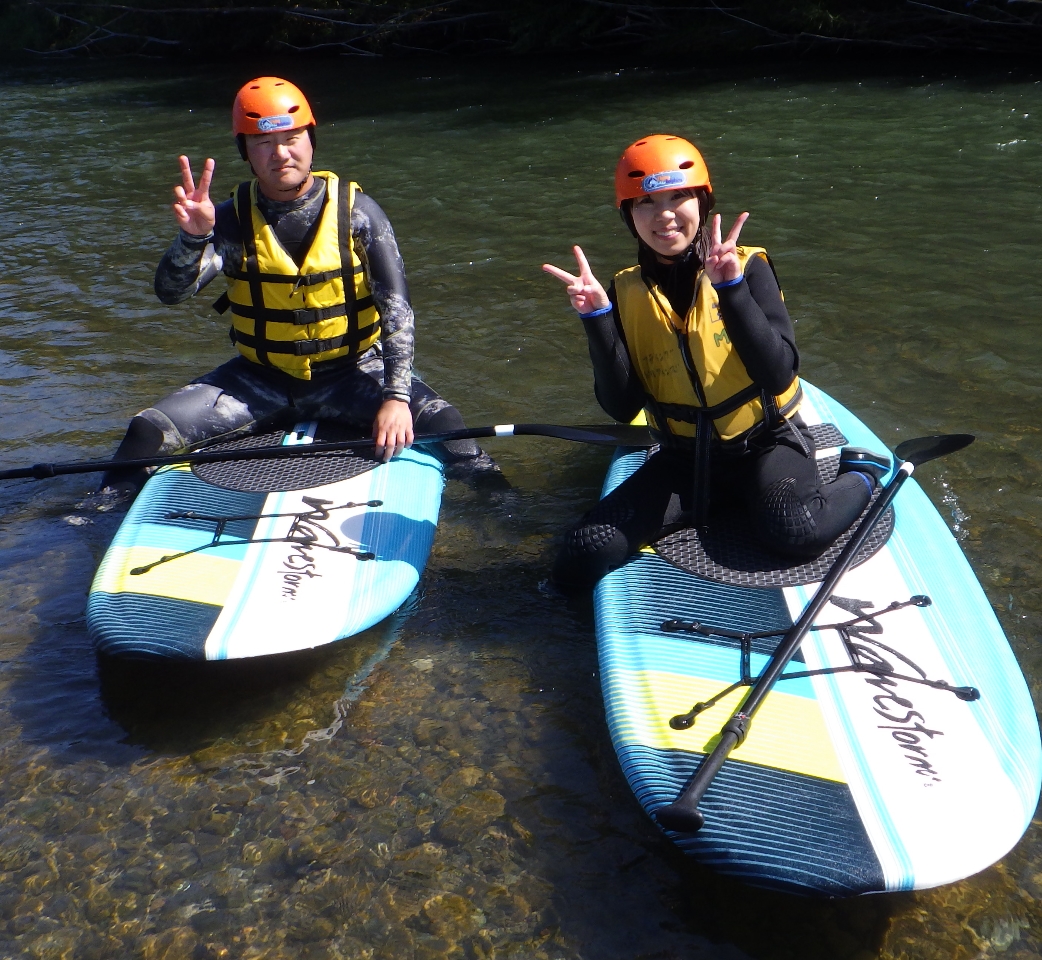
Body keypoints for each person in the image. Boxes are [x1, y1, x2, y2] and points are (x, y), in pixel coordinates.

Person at [100, 76, 497, 496]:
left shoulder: (359, 214)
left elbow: (397, 312)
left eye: (292, 139)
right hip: (258, 382)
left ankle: (503, 505)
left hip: (353, 374)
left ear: (311, 140)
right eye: (263, 144)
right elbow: (171, 292)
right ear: (246, 153)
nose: (280, 154)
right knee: (146, 432)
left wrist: (396, 398)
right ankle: (90, 520)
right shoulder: (229, 219)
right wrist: (193, 238)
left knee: (446, 424)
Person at [542, 134, 873, 590]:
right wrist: (596, 317)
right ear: (628, 215)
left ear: (702, 201)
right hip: (685, 459)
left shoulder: (746, 267)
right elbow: (621, 407)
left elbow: (779, 373)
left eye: (678, 196)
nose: (663, 215)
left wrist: (732, 290)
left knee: (797, 531)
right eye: (645, 203)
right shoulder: (620, 291)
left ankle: (864, 474)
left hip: (766, 444)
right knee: (585, 549)